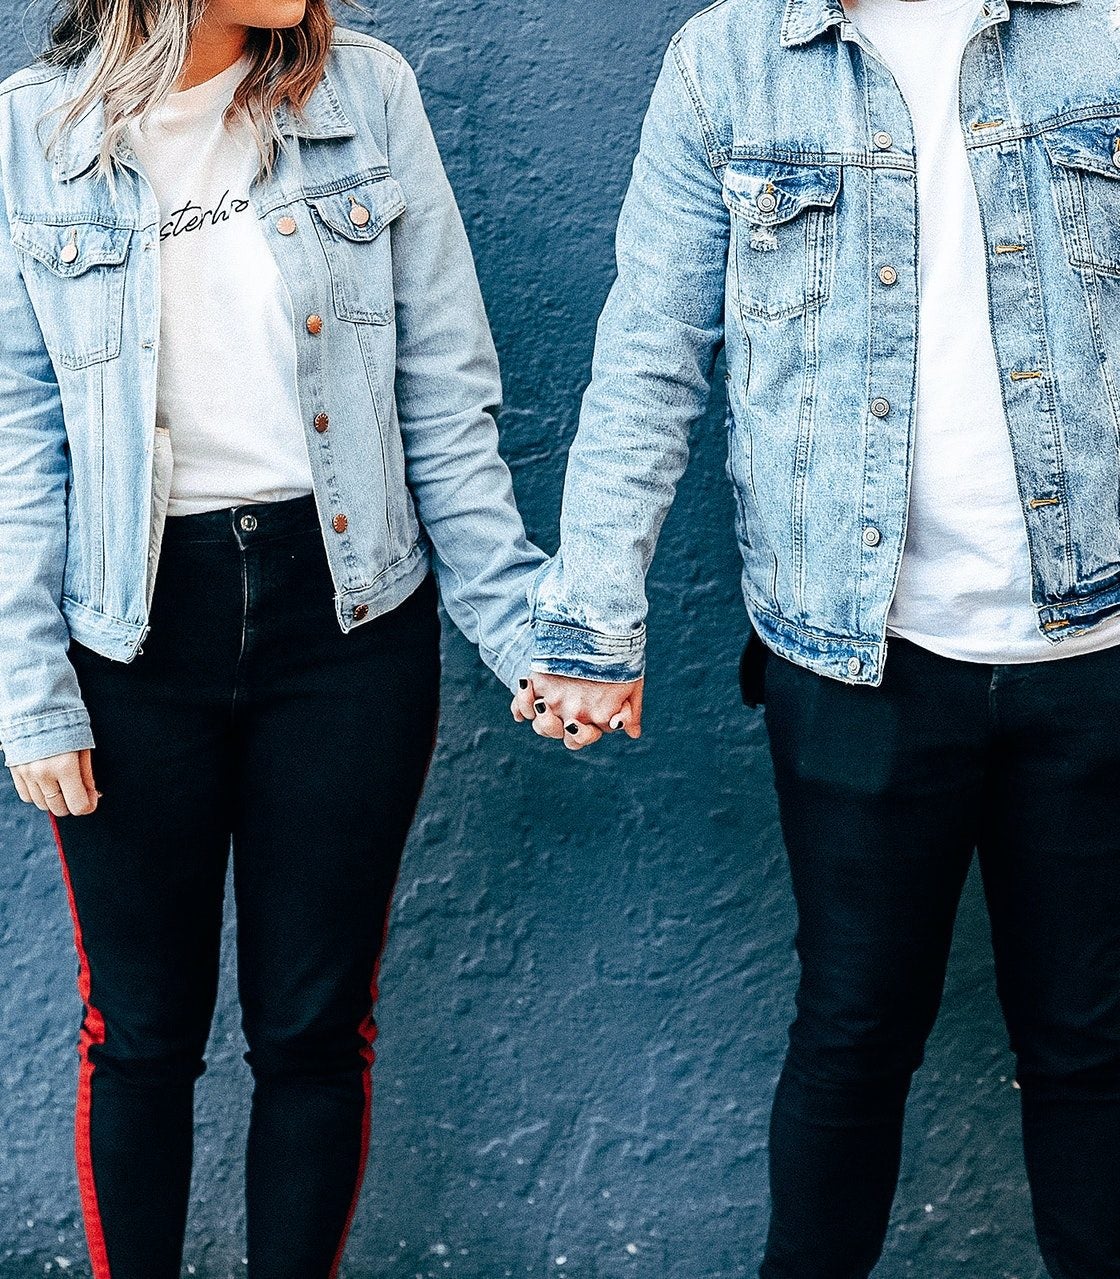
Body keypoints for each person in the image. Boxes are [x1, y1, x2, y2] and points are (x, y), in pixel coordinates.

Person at [513, 0, 1120, 1273]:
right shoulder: (729, 60)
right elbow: (650, 351)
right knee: (851, 1035)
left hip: (1099, 653)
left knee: (1092, 1049)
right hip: (854, 660)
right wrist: (590, 621)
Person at [0, 1, 543, 1274]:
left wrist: (524, 633)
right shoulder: (31, 135)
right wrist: (29, 686)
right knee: (141, 1031)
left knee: (313, 1028)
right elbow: (19, 438)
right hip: (131, 639)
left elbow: (444, 396)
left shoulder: (366, 96)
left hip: (346, 623)